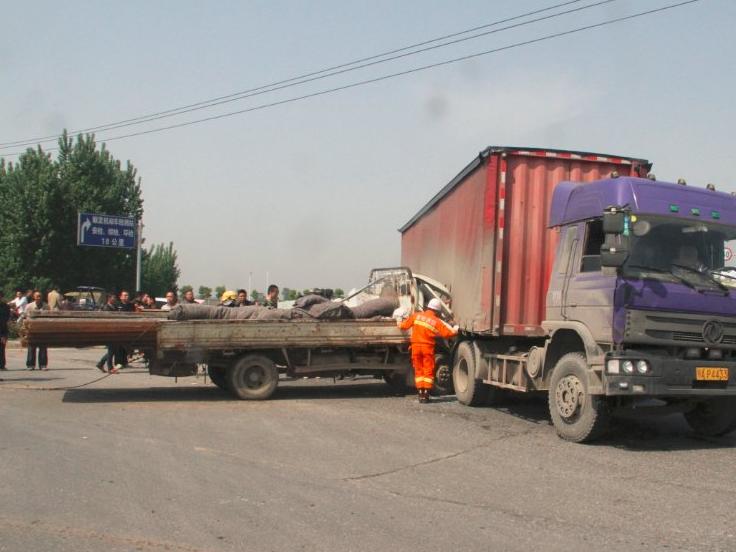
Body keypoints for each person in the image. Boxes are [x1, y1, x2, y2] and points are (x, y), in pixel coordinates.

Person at [397, 298, 458, 403]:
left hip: (415, 347)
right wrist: (456, 329)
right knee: (428, 370)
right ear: (437, 311)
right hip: (427, 348)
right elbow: (448, 334)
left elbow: (404, 326)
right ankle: (426, 394)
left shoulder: (416, 316)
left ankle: (420, 392)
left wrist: (399, 321)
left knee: (418, 369)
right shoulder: (436, 321)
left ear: (428, 307)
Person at [23, 290, 49, 370]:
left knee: (43, 348)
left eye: (40, 296)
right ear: (34, 297)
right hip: (32, 330)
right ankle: (30, 365)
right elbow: (24, 317)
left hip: (42, 330)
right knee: (31, 347)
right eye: (37, 296)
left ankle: (43, 365)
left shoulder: (46, 306)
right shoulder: (29, 306)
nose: (39, 298)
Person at [95, 294, 119, 373]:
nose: (115, 299)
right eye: (113, 297)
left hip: (114, 330)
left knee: (112, 350)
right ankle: (110, 368)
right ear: (109, 298)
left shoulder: (114, 307)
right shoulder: (106, 308)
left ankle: (100, 364)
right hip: (108, 331)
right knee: (111, 350)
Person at [0, 290, 10, 370]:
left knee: (2, 349)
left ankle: (2, 365)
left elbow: (6, 319)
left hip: (2, 330)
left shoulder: (5, 306)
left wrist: (4, 334)